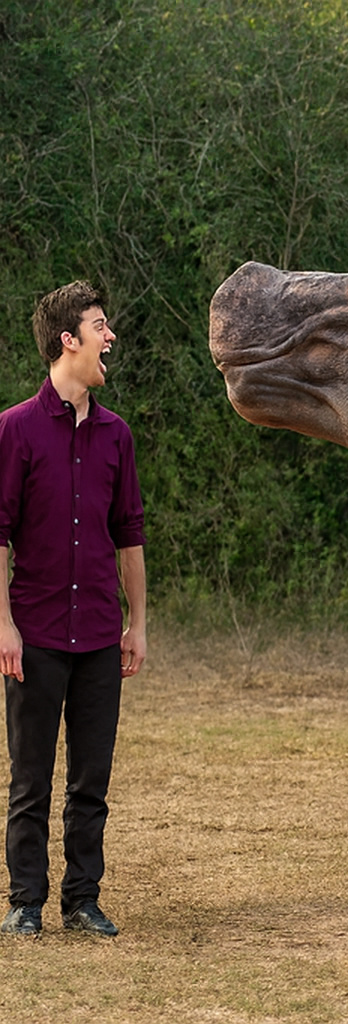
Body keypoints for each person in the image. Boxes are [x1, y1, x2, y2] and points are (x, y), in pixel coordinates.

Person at [0, 280, 146, 937]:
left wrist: (137, 623)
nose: (109, 336)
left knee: (92, 781)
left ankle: (82, 900)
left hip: (98, 636)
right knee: (29, 780)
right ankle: (25, 903)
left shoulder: (117, 436)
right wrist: (2, 625)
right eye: (99, 325)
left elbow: (130, 534)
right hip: (32, 634)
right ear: (69, 340)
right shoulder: (14, 430)